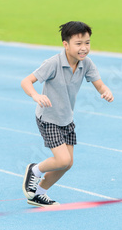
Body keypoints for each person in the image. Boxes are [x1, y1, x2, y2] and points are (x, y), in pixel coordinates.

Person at [20, 21, 114, 206]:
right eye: (78, 44)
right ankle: (35, 170)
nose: (84, 48)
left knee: (67, 163)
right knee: (62, 159)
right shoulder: (53, 63)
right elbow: (26, 82)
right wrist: (36, 95)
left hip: (66, 118)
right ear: (66, 44)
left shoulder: (86, 64)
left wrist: (105, 91)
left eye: (87, 43)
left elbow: (99, 84)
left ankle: (39, 193)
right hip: (48, 118)